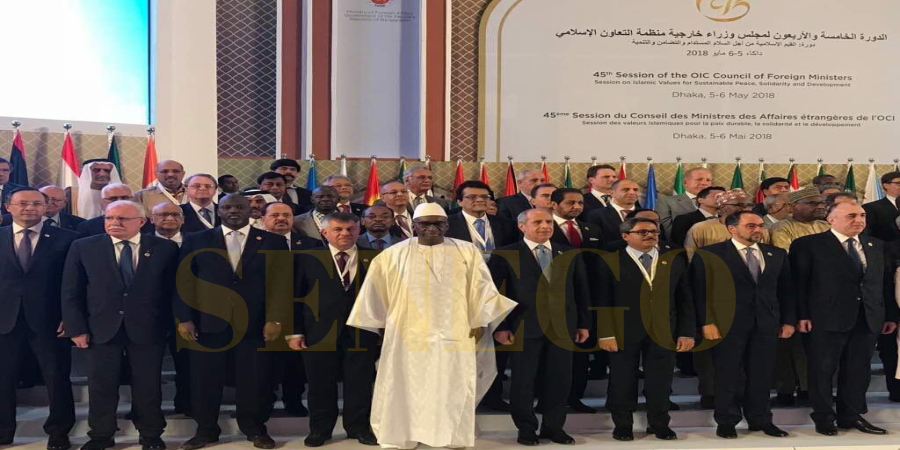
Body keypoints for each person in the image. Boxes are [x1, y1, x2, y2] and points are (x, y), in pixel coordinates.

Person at [347, 203, 516, 449]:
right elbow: (375, 295)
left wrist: (479, 321)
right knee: (406, 384)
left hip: (456, 331)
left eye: (439, 223)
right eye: (425, 223)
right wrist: (383, 328)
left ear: (448, 225)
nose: (432, 228)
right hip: (406, 334)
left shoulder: (467, 251)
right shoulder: (393, 255)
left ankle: (450, 435)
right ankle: (403, 435)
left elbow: (482, 289)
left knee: (452, 384)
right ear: (413, 225)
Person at [61, 200, 179, 450]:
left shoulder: (165, 248)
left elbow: (173, 291)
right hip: (99, 329)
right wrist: (76, 328)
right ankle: (100, 436)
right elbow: (71, 291)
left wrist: (170, 326)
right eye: (109, 218)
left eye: (122, 219)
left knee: (148, 386)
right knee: (101, 386)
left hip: (149, 329)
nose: (114, 223)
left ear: (141, 222)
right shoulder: (84, 247)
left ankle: (150, 435)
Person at [175, 194, 290, 450]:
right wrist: (185, 318)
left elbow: (281, 283)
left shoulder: (274, 241)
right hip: (208, 324)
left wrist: (275, 319)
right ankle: (206, 431)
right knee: (205, 380)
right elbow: (184, 281)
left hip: (256, 324)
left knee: (255, 379)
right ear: (220, 211)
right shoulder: (197, 239)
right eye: (227, 207)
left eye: (239, 206)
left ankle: (255, 429)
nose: (233, 211)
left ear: (251, 209)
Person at [791, 202, 898, 436]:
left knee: (858, 370)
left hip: (868, 317)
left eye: (862, 215)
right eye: (851, 215)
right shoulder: (809, 245)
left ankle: (850, 416)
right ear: (832, 219)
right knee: (822, 370)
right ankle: (824, 417)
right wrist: (802, 315)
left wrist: (889, 315)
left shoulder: (876, 245)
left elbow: (884, 283)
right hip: (824, 318)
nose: (859, 219)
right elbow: (799, 284)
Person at [489, 209, 591, 445]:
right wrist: (501, 326)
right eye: (538, 222)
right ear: (522, 226)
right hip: (522, 327)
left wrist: (584, 324)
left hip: (563, 327)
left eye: (548, 221)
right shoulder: (505, 254)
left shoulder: (569, 252)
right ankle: (526, 428)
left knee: (560, 379)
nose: (545, 225)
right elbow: (496, 293)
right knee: (524, 380)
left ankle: (554, 427)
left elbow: (582, 291)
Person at [691, 211, 794, 439]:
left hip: (766, 324)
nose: (757, 229)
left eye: (760, 225)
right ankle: (726, 421)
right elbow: (700, 292)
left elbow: (786, 291)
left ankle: (761, 419)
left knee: (762, 374)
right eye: (750, 225)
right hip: (725, 325)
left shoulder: (776, 254)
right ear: (732, 228)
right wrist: (706, 321)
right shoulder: (710, 254)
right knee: (727, 375)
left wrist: (788, 320)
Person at [596, 217, 694, 441]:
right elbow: (602, 301)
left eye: (654, 231)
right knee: (622, 380)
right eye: (643, 232)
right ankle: (623, 425)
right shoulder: (609, 261)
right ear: (625, 236)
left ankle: (659, 424)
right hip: (622, 331)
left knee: (660, 380)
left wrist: (686, 332)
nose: (650, 235)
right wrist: (606, 333)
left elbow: (685, 300)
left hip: (664, 330)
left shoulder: (673, 260)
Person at [288, 213, 380, 447]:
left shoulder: (375, 257)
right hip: (317, 331)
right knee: (320, 384)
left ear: (359, 230)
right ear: (324, 232)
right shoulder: (306, 258)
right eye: (338, 229)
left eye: (350, 229)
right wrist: (295, 331)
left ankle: (358, 427)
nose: (345, 234)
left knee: (360, 382)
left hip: (363, 331)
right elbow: (295, 296)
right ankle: (320, 430)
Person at [0, 188, 77, 450]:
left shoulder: (67, 239)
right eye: (22, 203)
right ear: (8, 206)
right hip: (4, 318)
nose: (29, 208)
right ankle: (3, 430)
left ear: (46, 208)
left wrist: (70, 317)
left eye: (36, 203)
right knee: (3, 377)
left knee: (56, 377)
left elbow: (72, 284)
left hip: (50, 319)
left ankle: (59, 432)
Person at [768, 187, 829, 406]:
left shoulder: (825, 226)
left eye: (821, 203)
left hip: (821, 293)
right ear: (794, 207)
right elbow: (787, 258)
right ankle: (785, 389)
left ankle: (810, 388)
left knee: (818, 345)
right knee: (787, 343)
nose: (820, 207)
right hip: (790, 290)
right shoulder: (781, 228)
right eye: (813, 203)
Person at [148, 202, 192, 416]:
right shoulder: (141, 242)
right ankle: (145, 408)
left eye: (175, 214)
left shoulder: (196, 241)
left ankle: (186, 403)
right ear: (151, 219)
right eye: (163, 214)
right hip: (149, 314)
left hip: (187, 314)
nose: (169, 218)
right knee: (147, 366)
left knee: (187, 364)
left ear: (183, 219)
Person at [446, 180, 519, 253]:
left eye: (485, 197)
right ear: (459, 202)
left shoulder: (509, 225)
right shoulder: (446, 225)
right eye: (472, 197)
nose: (480, 200)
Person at [76, 184, 154, 237]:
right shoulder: (87, 227)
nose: (119, 201)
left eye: (125, 198)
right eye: (113, 198)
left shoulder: (150, 224)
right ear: (102, 202)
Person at [655, 167, 713, 236]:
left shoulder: (718, 202)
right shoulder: (666, 201)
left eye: (708, 180)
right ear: (685, 183)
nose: (704, 183)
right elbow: (666, 230)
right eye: (699, 179)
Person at [584, 179, 641, 246]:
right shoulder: (594, 215)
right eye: (626, 189)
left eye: (635, 190)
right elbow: (594, 243)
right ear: (611, 193)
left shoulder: (648, 214)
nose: (632, 192)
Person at [863, 171, 900, 242]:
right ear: (885, 185)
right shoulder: (870, 208)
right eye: (898, 183)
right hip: (886, 249)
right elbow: (869, 234)